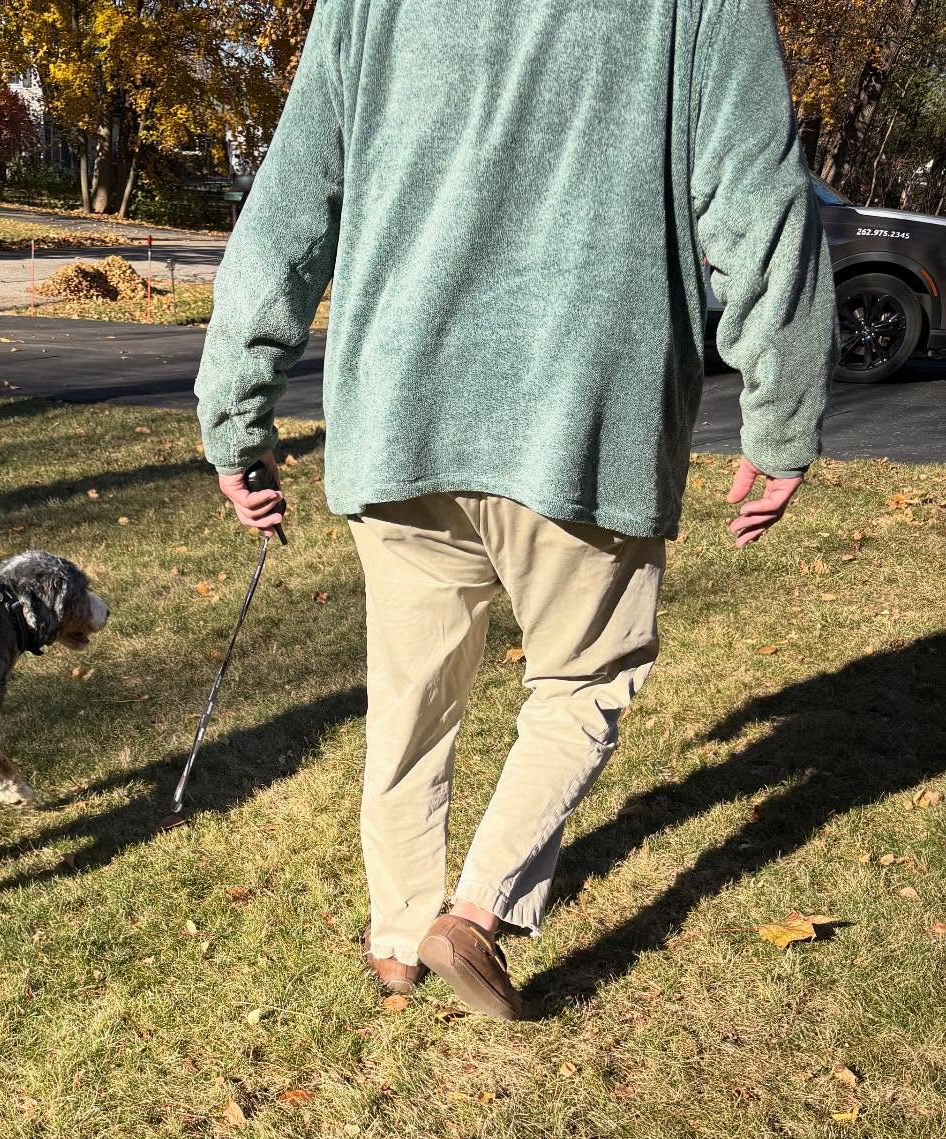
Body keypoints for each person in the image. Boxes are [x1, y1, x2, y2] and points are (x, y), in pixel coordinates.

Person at [195, 0, 837, 1019]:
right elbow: (760, 205)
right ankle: (479, 913)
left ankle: (401, 934)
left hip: (400, 412)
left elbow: (289, 206)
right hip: (590, 414)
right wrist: (782, 416)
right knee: (586, 679)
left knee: (410, 698)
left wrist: (235, 414)